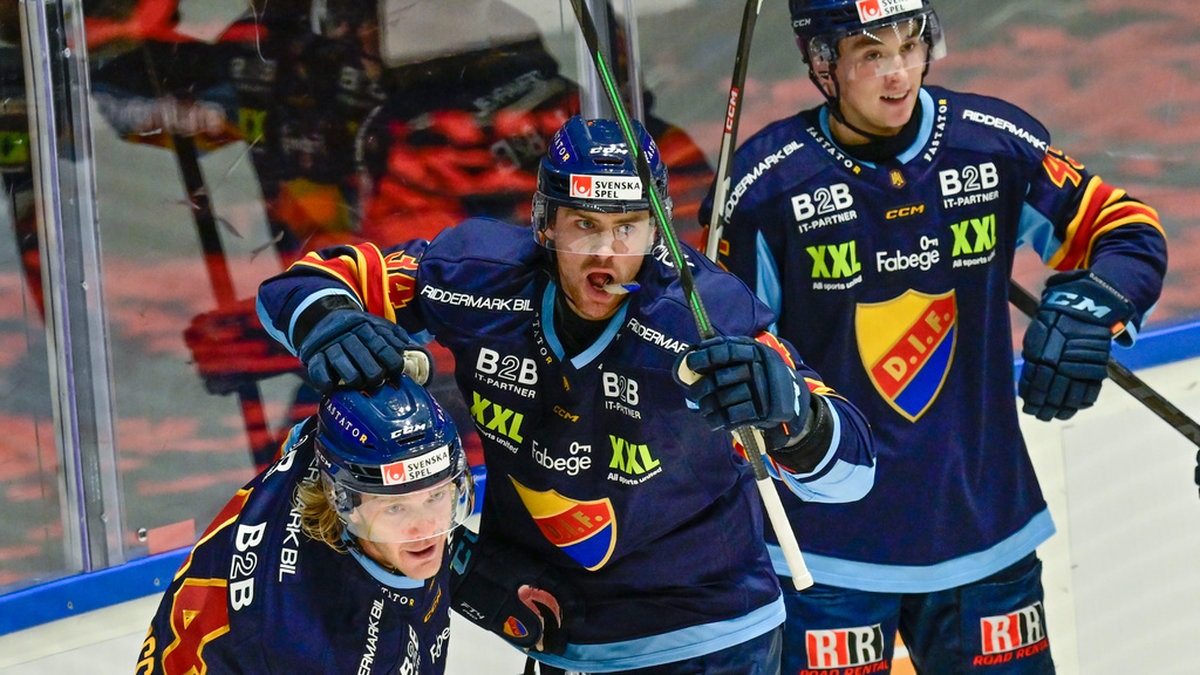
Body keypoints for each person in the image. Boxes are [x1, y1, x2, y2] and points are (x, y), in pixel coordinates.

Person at [256, 114, 875, 673]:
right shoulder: (478, 276)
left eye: (628, 227)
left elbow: (853, 476)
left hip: (707, 633)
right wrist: (329, 321)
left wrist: (798, 418)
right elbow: (307, 281)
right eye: (585, 225)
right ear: (545, 223)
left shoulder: (708, 319)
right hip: (558, 630)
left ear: (657, 228)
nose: (605, 252)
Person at [703, 0, 1169, 672]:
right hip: (826, 553)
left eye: (910, 45)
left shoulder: (993, 143)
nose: (899, 73)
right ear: (823, 63)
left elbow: (1124, 227)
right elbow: (731, 342)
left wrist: (1095, 305)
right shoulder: (765, 185)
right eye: (872, 54)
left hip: (985, 531)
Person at [136, 376, 474, 674]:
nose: (425, 527)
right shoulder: (315, 646)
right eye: (396, 508)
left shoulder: (323, 455)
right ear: (346, 502)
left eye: (435, 496)